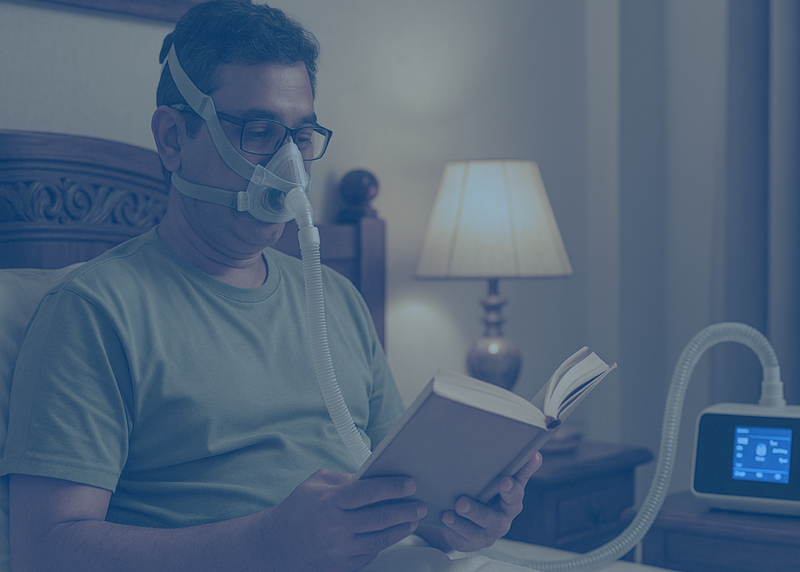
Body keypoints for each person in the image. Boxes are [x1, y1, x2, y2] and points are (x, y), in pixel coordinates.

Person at [0, 2, 541, 571]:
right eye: (258, 131)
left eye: (302, 135)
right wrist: (267, 545)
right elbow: (46, 549)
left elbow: (404, 497)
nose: (289, 165)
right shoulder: (94, 311)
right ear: (172, 139)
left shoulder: (336, 299)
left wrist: (464, 520)